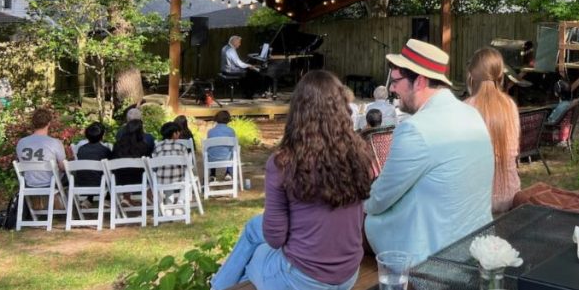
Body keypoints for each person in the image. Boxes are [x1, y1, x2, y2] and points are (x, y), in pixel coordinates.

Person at [211, 70, 373, 290]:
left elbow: (275, 238)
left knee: (255, 255)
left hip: (302, 279)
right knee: (252, 228)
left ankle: (217, 287)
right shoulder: (360, 154)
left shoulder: (283, 163)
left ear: (298, 112)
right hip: (348, 274)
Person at [364, 39, 494, 264]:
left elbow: (379, 199)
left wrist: (359, 203)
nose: (392, 88)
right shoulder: (472, 114)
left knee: (350, 219)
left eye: (396, 81)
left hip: (432, 257)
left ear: (420, 81)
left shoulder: (415, 129)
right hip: (474, 245)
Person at [464, 47, 521, 213]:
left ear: (471, 76)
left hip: (475, 199)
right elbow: (514, 149)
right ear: (500, 75)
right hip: (510, 193)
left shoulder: (466, 108)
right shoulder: (510, 105)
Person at [15, 107, 66, 188]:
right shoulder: (55, 143)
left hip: (30, 184)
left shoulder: (21, 142)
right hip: (51, 183)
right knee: (71, 175)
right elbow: (62, 167)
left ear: (33, 123)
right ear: (49, 123)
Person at [153, 121, 189, 208]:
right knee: (189, 177)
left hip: (161, 180)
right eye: (178, 132)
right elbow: (187, 165)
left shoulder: (157, 147)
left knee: (166, 175)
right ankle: (180, 201)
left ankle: (169, 202)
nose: (179, 134)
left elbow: (154, 165)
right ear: (174, 134)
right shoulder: (182, 147)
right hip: (179, 178)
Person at [75, 122, 112, 200]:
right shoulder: (105, 150)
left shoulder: (81, 149)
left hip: (81, 183)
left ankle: (89, 200)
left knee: (91, 174)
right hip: (100, 184)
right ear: (102, 136)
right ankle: (108, 199)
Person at [220, 35, 264, 99]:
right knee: (252, 73)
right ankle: (250, 94)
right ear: (234, 42)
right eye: (239, 42)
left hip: (225, 69)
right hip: (229, 70)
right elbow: (238, 63)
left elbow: (237, 62)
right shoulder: (231, 50)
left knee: (248, 71)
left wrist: (247, 65)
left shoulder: (225, 47)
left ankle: (247, 92)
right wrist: (249, 65)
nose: (240, 44)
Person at [111, 119, 152, 187]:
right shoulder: (144, 146)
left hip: (119, 182)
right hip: (141, 182)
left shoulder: (117, 146)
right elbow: (149, 165)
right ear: (141, 132)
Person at [207, 109, 236, 180]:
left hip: (212, 158)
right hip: (227, 158)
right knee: (232, 151)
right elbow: (232, 146)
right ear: (228, 119)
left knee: (212, 149)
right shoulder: (231, 131)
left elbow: (209, 147)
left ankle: (213, 174)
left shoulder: (210, 132)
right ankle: (228, 172)